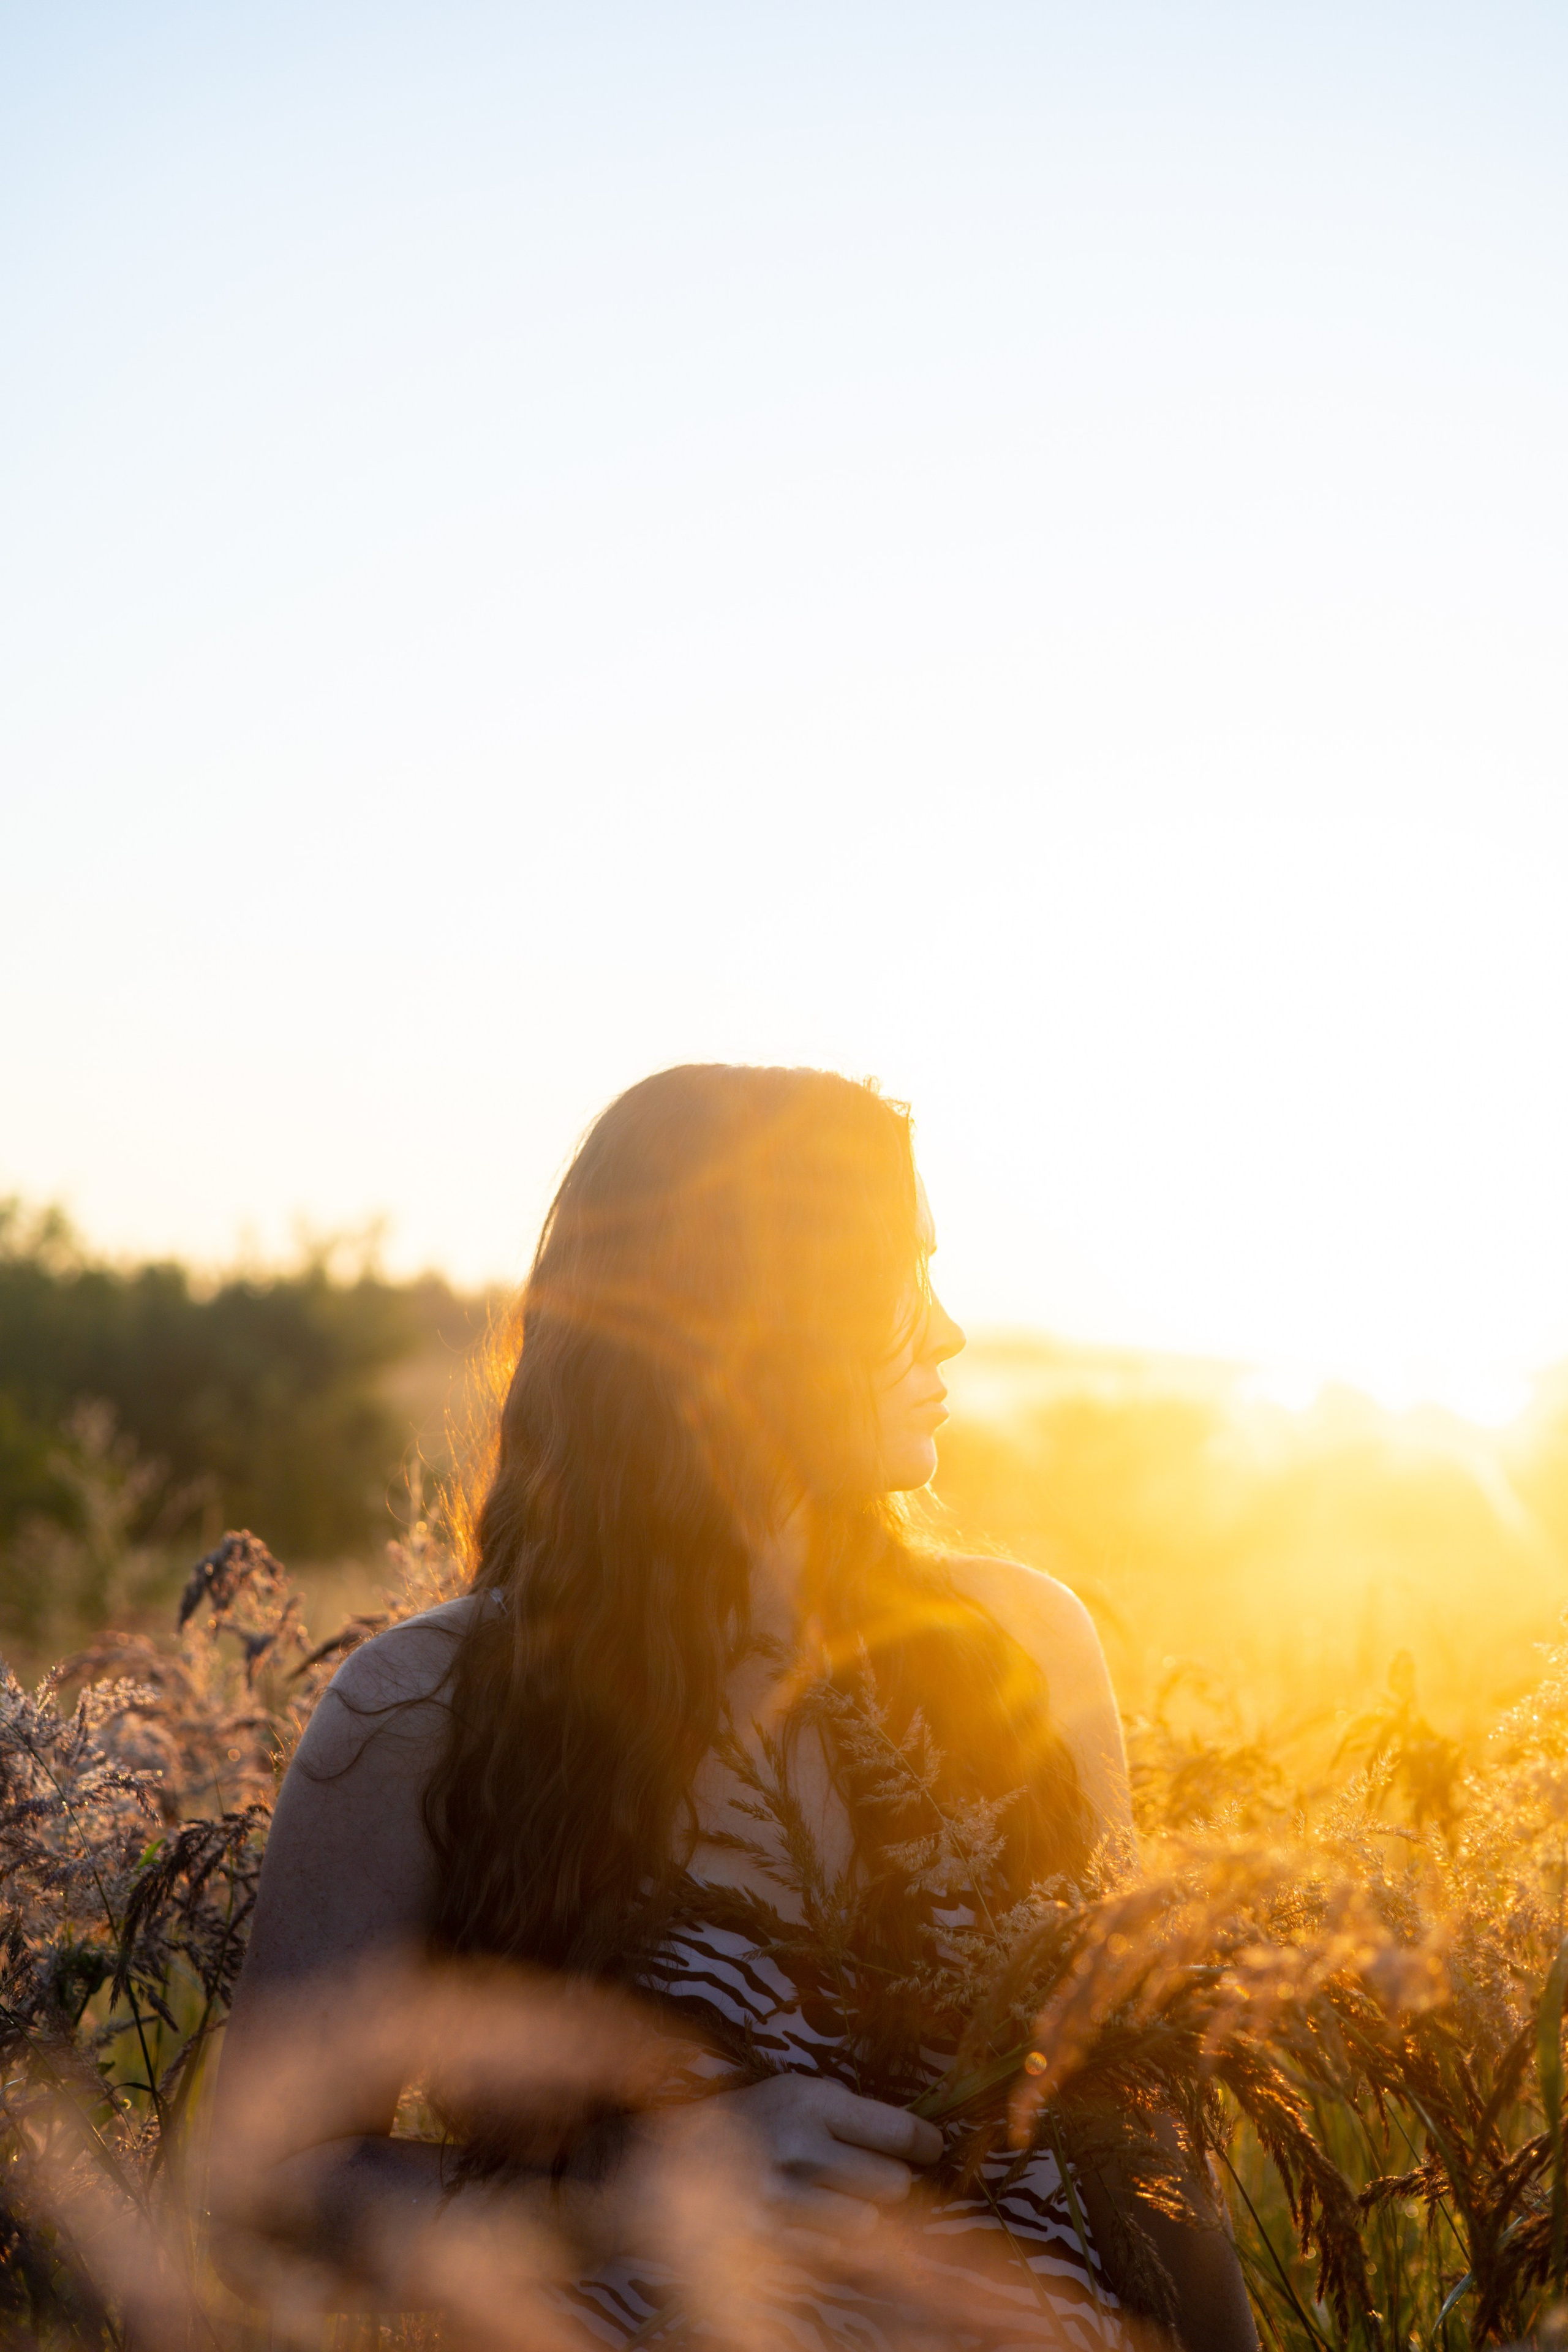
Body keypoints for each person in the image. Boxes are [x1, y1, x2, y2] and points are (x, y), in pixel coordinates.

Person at [212, 1065, 1257, 2352]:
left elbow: (1140, 2134)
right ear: (759, 1312)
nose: (946, 1335)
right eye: (901, 1278)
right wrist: (630, 2195)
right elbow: (260, 2187)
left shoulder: (1024, 1647)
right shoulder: (429, 1707)